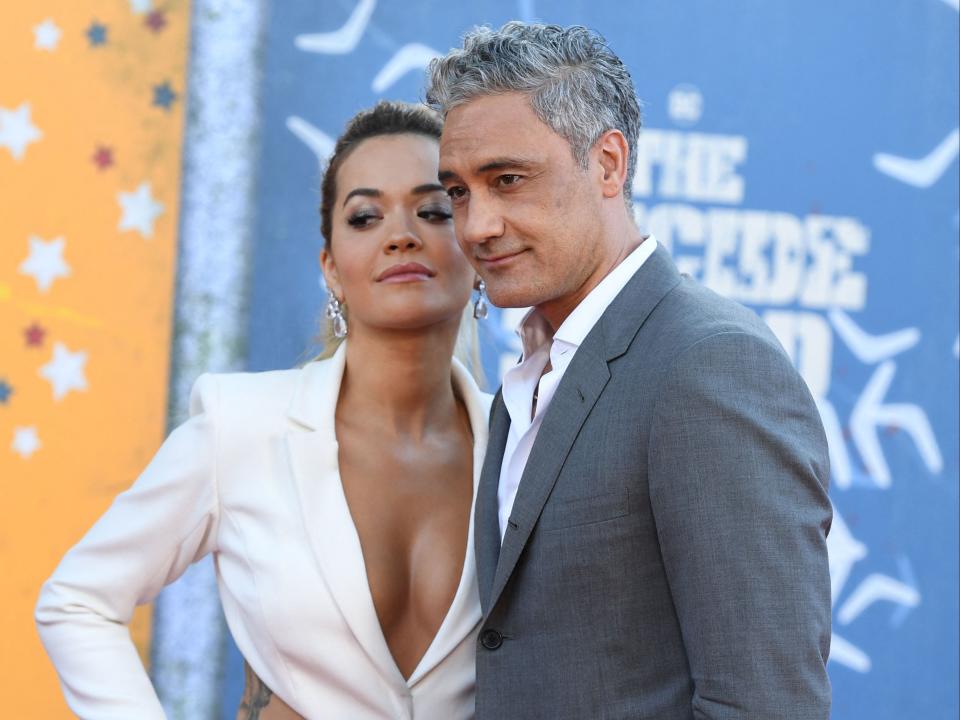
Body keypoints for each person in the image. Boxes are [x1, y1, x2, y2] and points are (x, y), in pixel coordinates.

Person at [427, 22, 833, 719]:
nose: (477, 225)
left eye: (509, 180)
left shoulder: (708, 366)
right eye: (459, 192)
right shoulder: (523, 381)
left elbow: (766, 703)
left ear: (608, 164)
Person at [35, 100, 491, 720]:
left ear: (477, 245)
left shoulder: (526, 444)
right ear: (330, 268)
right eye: (364, 217)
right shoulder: (240, 427)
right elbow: (77, 600)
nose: (401, 233)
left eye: (434, 209)